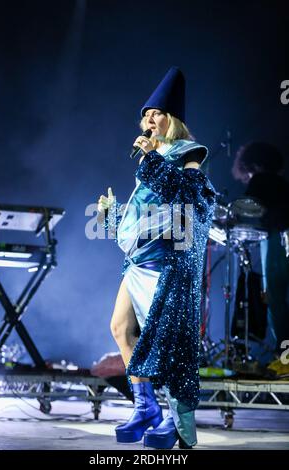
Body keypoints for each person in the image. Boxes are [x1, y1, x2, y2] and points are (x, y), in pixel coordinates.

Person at [97, 67, 216, 449]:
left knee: (166, 341)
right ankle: (145, 405)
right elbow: (144, 216)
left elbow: (188, 195)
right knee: (120, 328)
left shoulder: (189, 153)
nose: (148, 119)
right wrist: (112, 217)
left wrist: (151, 161)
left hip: (167, 261)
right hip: (139, 260)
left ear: (172, 120)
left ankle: (169, 414)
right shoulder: (153, 157)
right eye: (145, 114)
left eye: (156, 113)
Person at [232, 142, 289, 357]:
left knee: (274, 298)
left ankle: (283, 356)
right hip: (282, 237)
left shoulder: (259, 180)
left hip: (276, 241)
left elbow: (247, 211)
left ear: (252, 165)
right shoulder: (282, 183)